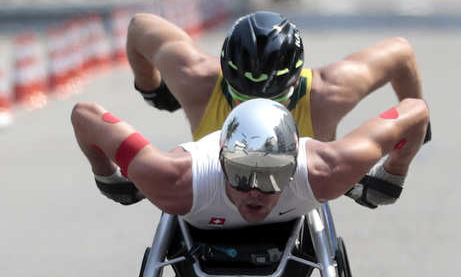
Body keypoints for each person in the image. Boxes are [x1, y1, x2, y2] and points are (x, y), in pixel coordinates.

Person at [100, 10, 430, 209]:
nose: (256, 108)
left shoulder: (330, 90)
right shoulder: (195, 77)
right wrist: (152, 85)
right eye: (243, 95)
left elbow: (401, 53)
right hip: (217, 195)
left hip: (293, 200)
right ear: (224, 73)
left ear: (297, 79)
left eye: (272, 99)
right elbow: (139, 26)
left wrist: (153, 89)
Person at [71, 97, 429, 228]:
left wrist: (393, 174)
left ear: (292, 168)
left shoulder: (328, 170)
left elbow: (416, 111)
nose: (255, 192)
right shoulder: (172, 179)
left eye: (272, 177)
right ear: (222, 162)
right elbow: (85, 113)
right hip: (196, 194)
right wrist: (106, 174)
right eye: (241, 175)